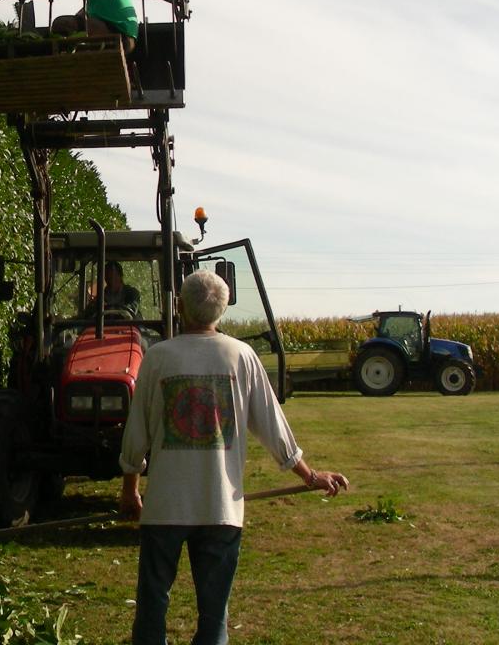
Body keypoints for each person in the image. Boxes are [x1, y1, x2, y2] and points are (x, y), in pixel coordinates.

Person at [118, 270, 349, 645]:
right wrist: (310, 475)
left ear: (180, 305)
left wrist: (131, 489)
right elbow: (274, 427)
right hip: (221, 509)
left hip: (165, 508)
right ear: (222, 311)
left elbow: (136, 434)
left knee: (152, 606)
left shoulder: (158, 357)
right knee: (214, 614)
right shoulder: (242, 356)